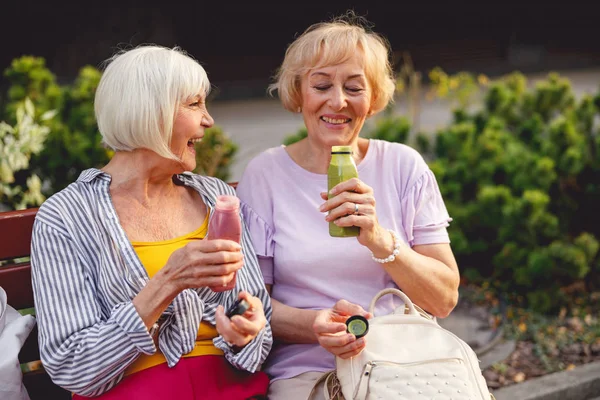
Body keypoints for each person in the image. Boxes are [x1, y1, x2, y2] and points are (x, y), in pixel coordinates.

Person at [236, 13, 460, 399]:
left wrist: (381, 241)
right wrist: (315, 326)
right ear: (299, 92)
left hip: (403, 362)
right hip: (308, 369)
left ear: (372, 98)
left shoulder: (403, 167)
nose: (337, 101)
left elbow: (443, 299)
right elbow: (251, 304)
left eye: (354, 88)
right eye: (321, 85)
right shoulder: (265, 175)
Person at [30, 45, 272, 399]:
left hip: (234, 388)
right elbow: (73, 366)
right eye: (193, 104)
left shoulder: (215, 196)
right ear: (149, 113)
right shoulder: (65, 216)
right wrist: (167, 283)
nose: (209, 120)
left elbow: (259, 322)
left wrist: (246, 332)